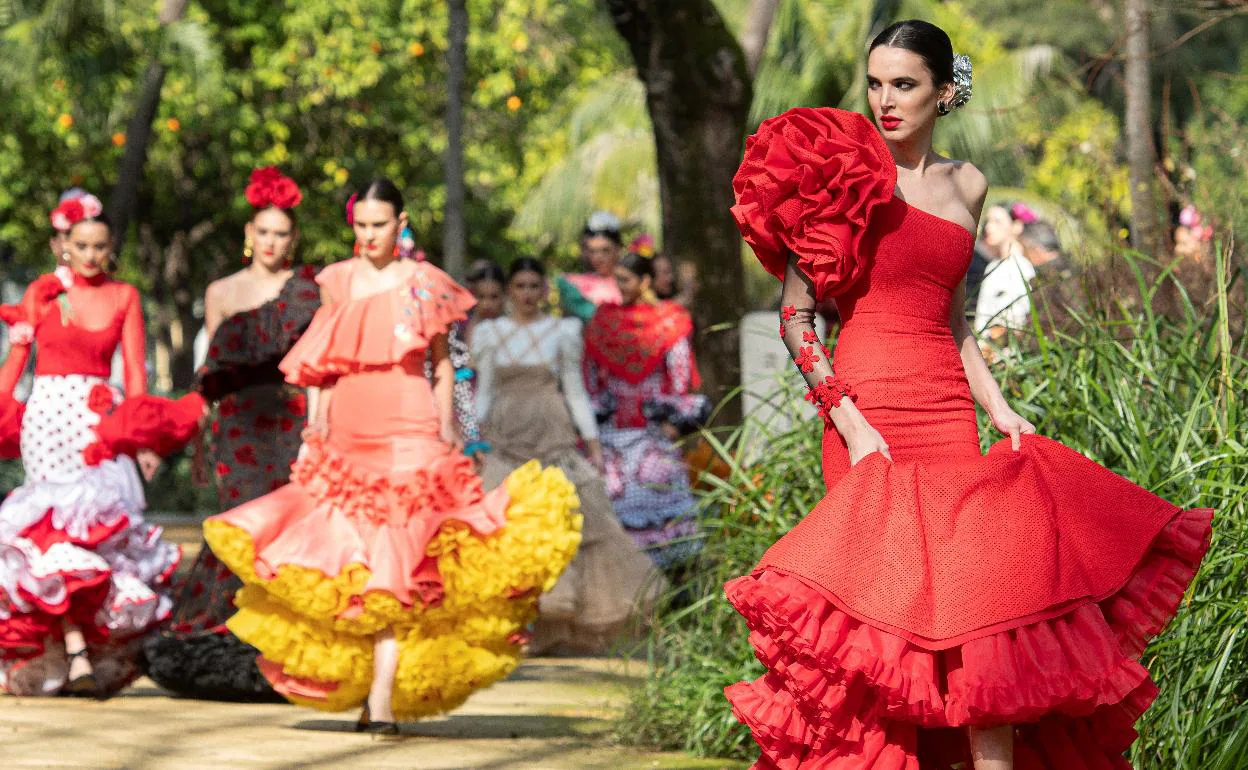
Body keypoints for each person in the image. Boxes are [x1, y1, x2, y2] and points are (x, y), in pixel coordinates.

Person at [724, 20, 1211, 770]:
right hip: (864, 413)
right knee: (889, 628)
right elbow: (796, 320)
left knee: (982, 623)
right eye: (875, 82)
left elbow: (955, 323)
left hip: (949, 417)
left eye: (905, 85)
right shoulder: (837, 170)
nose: (885, 100)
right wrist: (849, 422)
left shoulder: (969, 183)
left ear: (944, 91)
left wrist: (1000, 409)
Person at [201, 178, 580, 733]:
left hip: (410, 422)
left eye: (380, 224)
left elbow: (444, 364)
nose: (369, 235)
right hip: (349, 423)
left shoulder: (427, 283)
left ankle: (380, 696)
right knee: (349, 561)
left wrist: (446, 424)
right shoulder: (335, 281)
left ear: (401, 224)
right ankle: (369, 689)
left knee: (401, 559)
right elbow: (322, 361)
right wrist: (317, 424)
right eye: (361, 225)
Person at [0, 193, 201, 697]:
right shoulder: (41, 294)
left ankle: (93, 650)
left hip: (100, 424)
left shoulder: (125, 295)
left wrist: (143, 436)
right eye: (81, 245)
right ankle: (74, 651)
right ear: (61, 245)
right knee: (54, 535)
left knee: (100, 536)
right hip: (46, 424)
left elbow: (135, 372)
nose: (90, 255)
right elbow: (15, 364)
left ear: (111, 249)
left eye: (100, 246)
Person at [143, 167, 320, 701]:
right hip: (236, 426)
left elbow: (315, 367)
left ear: (294, 239)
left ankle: (290, 650)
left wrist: (318, 430)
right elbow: (209, 370)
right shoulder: (221, 291)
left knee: (289, 530)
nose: (271, 242)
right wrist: (198, 435)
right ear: (249, 235)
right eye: (263, 232)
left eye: (281, 233)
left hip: (291, 420)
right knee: (240, 529)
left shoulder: (307, 292)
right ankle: (228, 643)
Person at [473, 258, 664, 654]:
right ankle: (509, 625)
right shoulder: (490, 332)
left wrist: (591, 441)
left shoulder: (562, 331)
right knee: (502, 523)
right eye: (520, 286)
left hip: (551, 432)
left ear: (545, 290)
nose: (527, 294)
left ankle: (559, 622)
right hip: (505, 435)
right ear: (511, 290)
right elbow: (485, 391)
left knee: (567, 521)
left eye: (534, 286)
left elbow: (575, 389)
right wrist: (472, 438)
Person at [583, 253, 708, 568]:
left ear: (645, 281)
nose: (620, 286)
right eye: (618, 279)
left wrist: (673, 420)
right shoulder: (605, 320)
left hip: (652, 433)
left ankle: (667, 600)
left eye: (626, 279)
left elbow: (679, 381)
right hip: (613, 436)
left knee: (661, 519)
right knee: (617, 516)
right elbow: (591, 378)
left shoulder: (670, 318)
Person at [974, 201, 1037, 339]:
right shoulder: (993, 266)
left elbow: (1020, 320)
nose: (989, 227)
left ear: (1016, 226)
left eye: (997, 221)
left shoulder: (1021, 267)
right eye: (988, 221)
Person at [557, 211, 624, 321]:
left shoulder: (631, 283)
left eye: (605, 250)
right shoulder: (573, 285)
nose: (598, 258)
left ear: (618, 249)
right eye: (592, 251)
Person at [1019, 219, 1082, 331]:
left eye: (1024, 250)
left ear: (1036, 250)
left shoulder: (1048, 279)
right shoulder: (1074, 271)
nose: (1022, 255)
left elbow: (1040, 324)